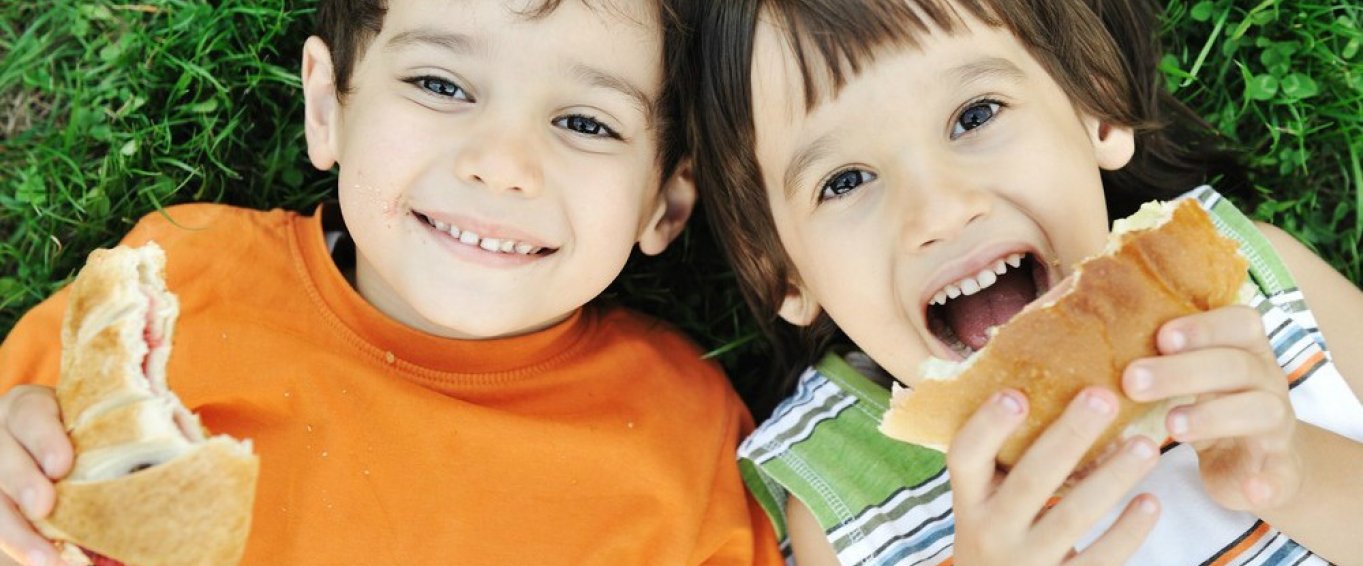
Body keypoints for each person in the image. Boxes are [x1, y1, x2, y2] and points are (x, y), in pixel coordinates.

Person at [0, 1, 784, 564]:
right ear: (325, 105)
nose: (502, 165)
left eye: (586, 123)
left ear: (666, 203)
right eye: (441, 85)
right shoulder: (180, 285)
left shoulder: (687, 437)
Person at [682, 0, 1363, 563]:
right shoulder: (844, 501)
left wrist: (1296, 475)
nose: (940, 211)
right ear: (783, 271)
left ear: (1094, 107)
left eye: (974, 115)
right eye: (844, 181)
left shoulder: (1250, 280)